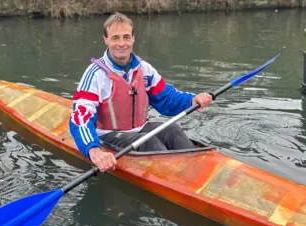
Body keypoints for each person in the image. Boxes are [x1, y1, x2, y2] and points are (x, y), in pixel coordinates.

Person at [70, 12, 213, 173]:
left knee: (173, 130)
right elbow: (80, 118)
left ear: (133, 39)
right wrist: (94, 151)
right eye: (115, 38)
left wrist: (192, 100)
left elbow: (167, 98)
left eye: (126, 37)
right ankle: (175, 177)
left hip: (140, 128)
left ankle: (200, 171)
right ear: (106, 40)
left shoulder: (144, 69)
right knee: (149, 142)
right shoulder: (95, 74)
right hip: (108, 135)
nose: (121, 43)